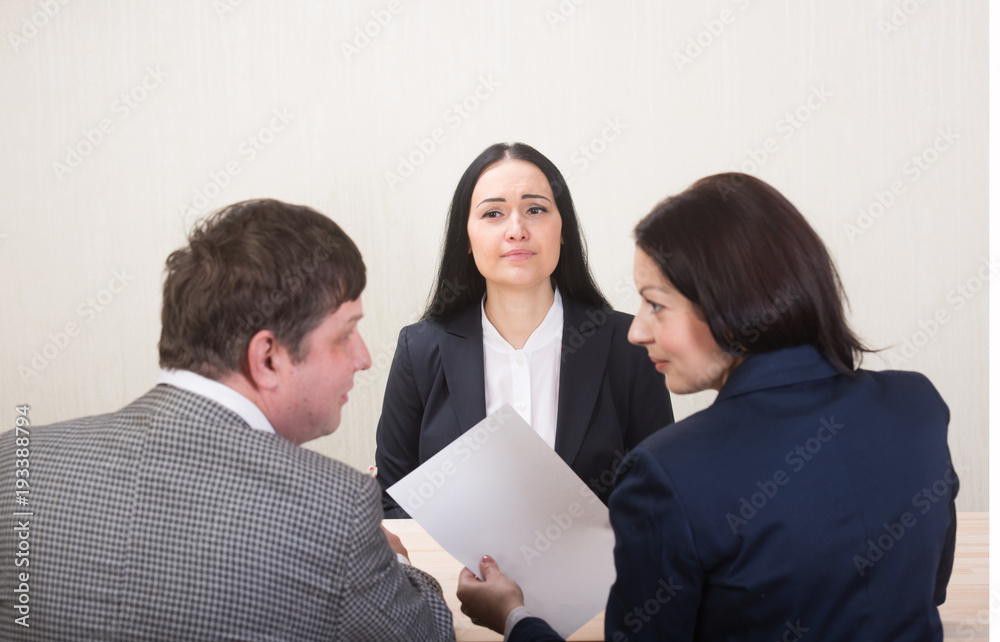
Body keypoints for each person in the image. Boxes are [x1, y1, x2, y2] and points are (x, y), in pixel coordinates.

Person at [456, 173, 958, 641]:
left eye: (655, 304)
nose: (637, 331)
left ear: (733, 308)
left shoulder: (667, 476)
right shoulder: (917, 406)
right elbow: (923, 593)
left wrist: (515, 618)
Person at [0, 200, 454, 641]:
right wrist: (395, 567)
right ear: (268, 358)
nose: (364, 358)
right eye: (345, 334)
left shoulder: (14, 463)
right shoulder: (336, 510)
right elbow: (427, 634)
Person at [375, 142, 673, 518]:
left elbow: (658, 494)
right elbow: (393, 500)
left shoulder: (630, 345)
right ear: (465, 238)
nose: (516, 230)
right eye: (493, 214)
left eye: (535, 210)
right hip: (453, 578)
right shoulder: (419, 350)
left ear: (563, 229)